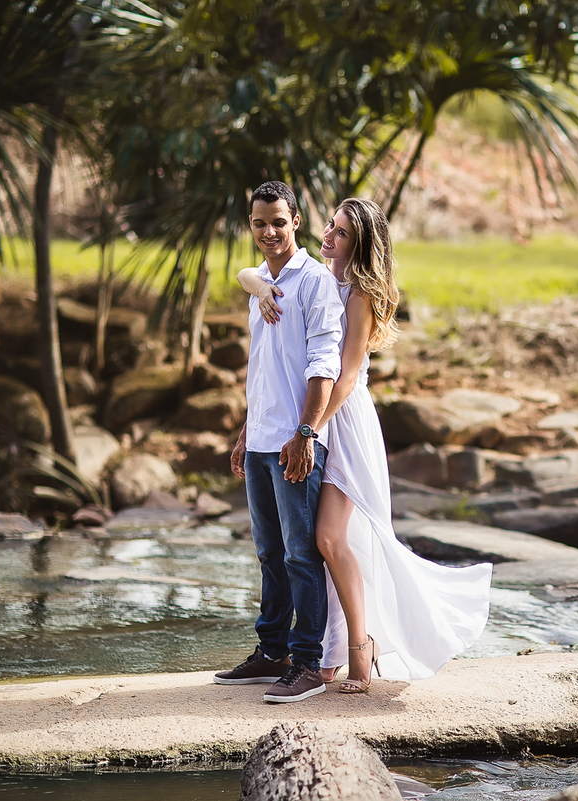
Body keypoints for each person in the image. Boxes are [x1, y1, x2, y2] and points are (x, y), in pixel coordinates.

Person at [238, 198, 491, 692]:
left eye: (342, 233)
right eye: (330, 226)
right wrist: (262, 286)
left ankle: (360, 649)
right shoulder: (315, 279)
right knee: (320, 543)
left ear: (360, 245)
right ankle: (326, 653)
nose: (329, 236)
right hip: (311, 417)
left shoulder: (358, 294)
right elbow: (250, 272)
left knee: (331, 539)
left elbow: (348, 376)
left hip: (343, 421)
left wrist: (309, 430)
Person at [213, 180, 345, 704]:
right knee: (269, 552)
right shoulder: (261, 283)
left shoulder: (315, 283)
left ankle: (308, 662)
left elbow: (324, 364)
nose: (268, 232)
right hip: (262, 438)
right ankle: (272, 653)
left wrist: (306, 433)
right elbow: (264, 366)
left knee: (299, 555)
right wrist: (247, 431)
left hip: (297, 442)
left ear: (296, 222)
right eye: (259, 224)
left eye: (278, 222)